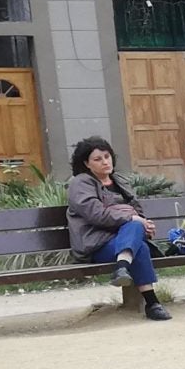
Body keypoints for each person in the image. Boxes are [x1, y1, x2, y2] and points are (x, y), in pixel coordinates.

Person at [64, 136, 168, 321]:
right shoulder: (80, 183)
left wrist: (145, 225)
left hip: (124, 239)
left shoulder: (119, 182)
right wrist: (134, 220)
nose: (105, 162)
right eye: (98, 159)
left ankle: (123, 268)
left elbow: (137, 211)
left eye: (107, 156)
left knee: (139, 238)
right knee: (138, 240)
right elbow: (96, 214)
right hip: (97, 244)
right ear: (87, 163)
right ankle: (152, 303)